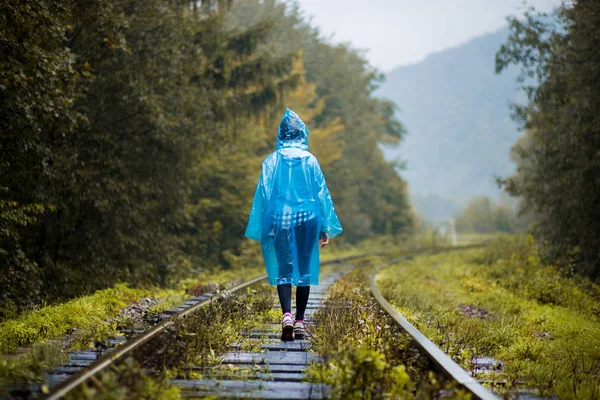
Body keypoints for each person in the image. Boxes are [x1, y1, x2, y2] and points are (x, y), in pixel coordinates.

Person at [245, 108, 343, 341]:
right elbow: (321, 195)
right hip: (308, 218)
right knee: (304, 268)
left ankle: (286, 315)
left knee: (284, 269)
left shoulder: (271, 160)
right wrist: (325, 227)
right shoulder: (310, 160)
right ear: (302, 133)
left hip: (280, 218)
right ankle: (299, 321)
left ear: (281, 134)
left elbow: (264, 194)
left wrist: (264, 224)